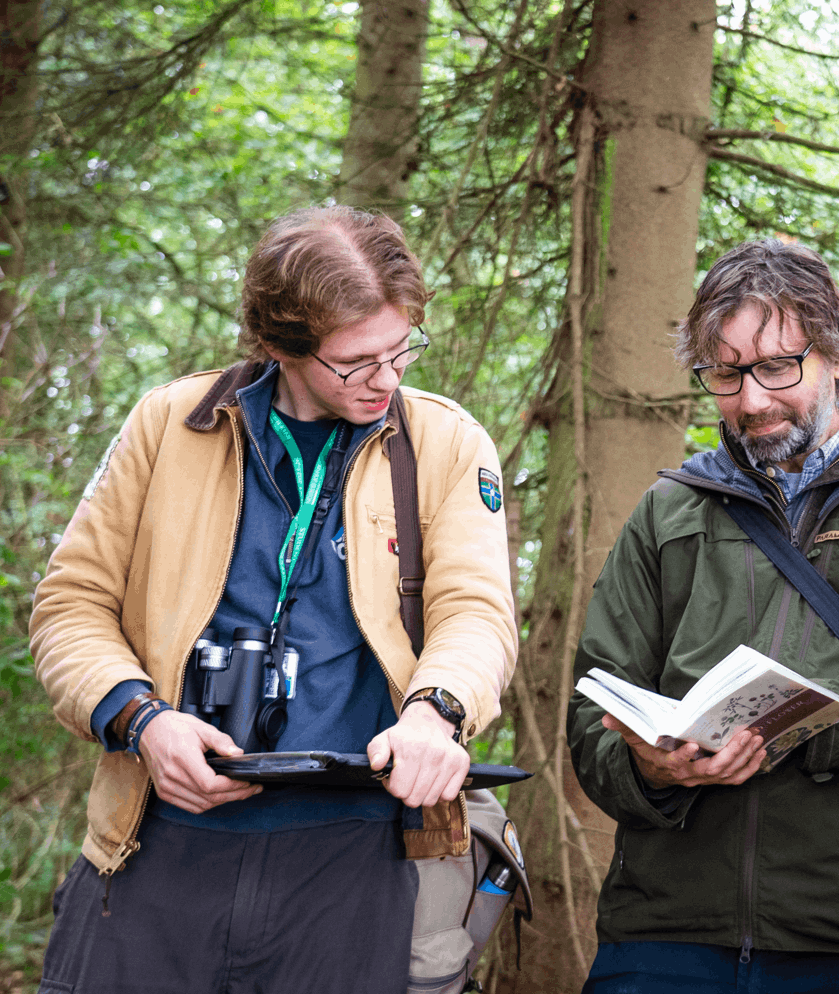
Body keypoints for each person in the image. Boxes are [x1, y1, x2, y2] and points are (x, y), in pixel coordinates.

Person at [31, 205, 517, 993]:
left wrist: (436, 713)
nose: (387, 379)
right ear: (277, 345)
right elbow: (71, 605)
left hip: (355, 854)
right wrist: (142, 721)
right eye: (355, 363)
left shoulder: (445, 443)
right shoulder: (169, 425)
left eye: (401, 349)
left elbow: (477, 614)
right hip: (158, 838)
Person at [566, 238, 839, 993]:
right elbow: (592, 714)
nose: (751, 400)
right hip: (662, 931)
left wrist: (812, 716)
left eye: (777, 367)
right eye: (725, 374)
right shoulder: (667, 512)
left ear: (837, 354)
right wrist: (648, 767)